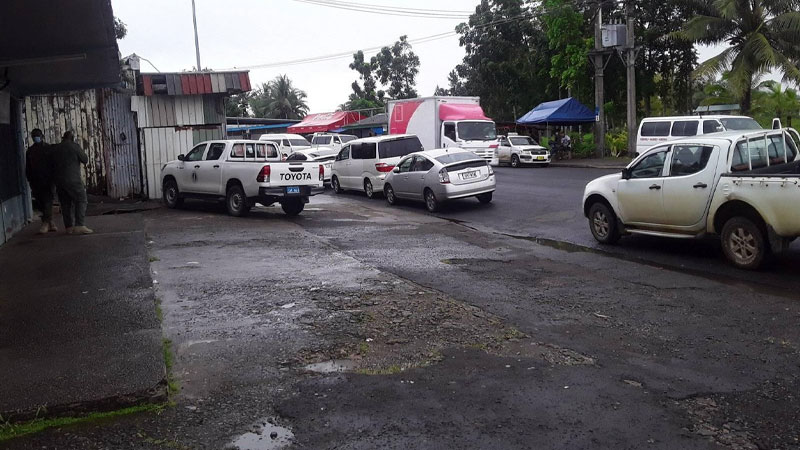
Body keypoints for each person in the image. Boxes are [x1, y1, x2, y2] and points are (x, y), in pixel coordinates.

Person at [52, 130, 92, 234]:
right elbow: (85, 159)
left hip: (59, 181)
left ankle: (68, 227)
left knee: (65, 204)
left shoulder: (55, 148)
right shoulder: (74, 146)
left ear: (63, 138)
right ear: (72, 138)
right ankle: (79, 225)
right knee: (81, 199)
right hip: (73, 180)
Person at [25, 129, 57, 234]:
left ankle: (45, 223)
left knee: (48, 201)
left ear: (42, 136)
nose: (36, 138)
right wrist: (29, 179)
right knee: (41, 202)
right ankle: (50, 222)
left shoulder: (49, 149)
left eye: (37, 136)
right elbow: (28, 167)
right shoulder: (30, 151)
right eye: (34, 136)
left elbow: (53, 165)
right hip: (36, 181)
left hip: (48, 180)